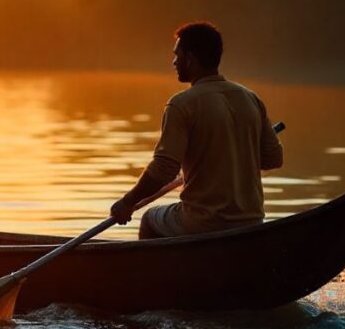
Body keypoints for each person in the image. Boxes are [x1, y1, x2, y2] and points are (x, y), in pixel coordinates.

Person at [110, 22, 284, 239]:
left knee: (149, 219)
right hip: (252, 221)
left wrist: (128, 202)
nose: (174, 62)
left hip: (203, 222)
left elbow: (164, 169)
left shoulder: (181, 105)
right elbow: (273, 158)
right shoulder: (250, 98)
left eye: (177, 55)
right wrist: (232, 155)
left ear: (190, 58)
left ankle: (155, 273)